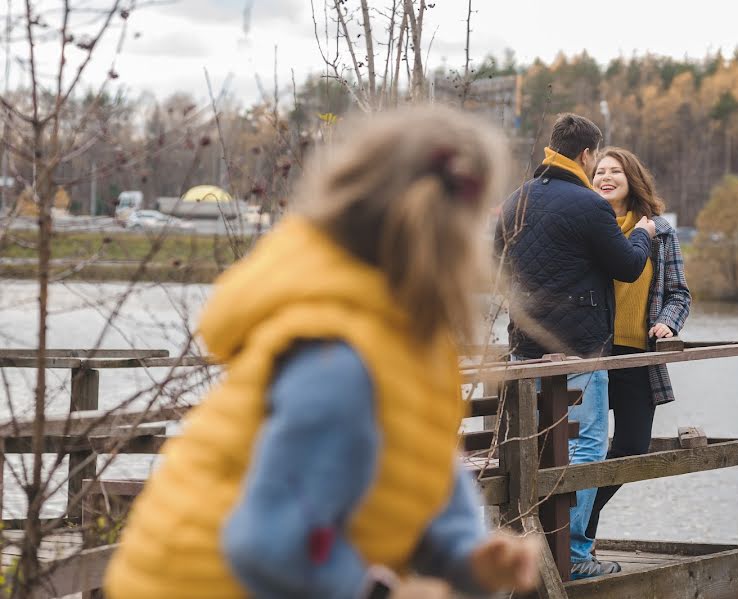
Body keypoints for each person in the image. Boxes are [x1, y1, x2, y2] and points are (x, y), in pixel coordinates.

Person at [104, 106, 539, 599]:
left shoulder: (405, 340)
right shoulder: (340, 358)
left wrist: (465, 554)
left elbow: (415, 467)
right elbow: (270, 542)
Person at [494, 113, 655, 580]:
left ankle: (531, 550)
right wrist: (642, 236)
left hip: (525, 348)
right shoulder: (589, 205)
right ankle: (574, 556)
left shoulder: (515, 201)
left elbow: (493, 261)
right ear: (586, 155)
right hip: (579, 351)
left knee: (535, 448)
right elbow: (626, 266)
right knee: (585, 447)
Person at [585, 146, 692, 542]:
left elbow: (680, 293)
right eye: (599, 171)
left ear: (632, 179)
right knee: (583, 454)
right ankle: (578, 546)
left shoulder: (659, 231)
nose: (605, 178)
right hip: (590, 356)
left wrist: (667, 322)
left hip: (637, 357)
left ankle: (575, 528)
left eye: (614, 171)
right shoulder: (586, 227)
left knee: (632, 447)